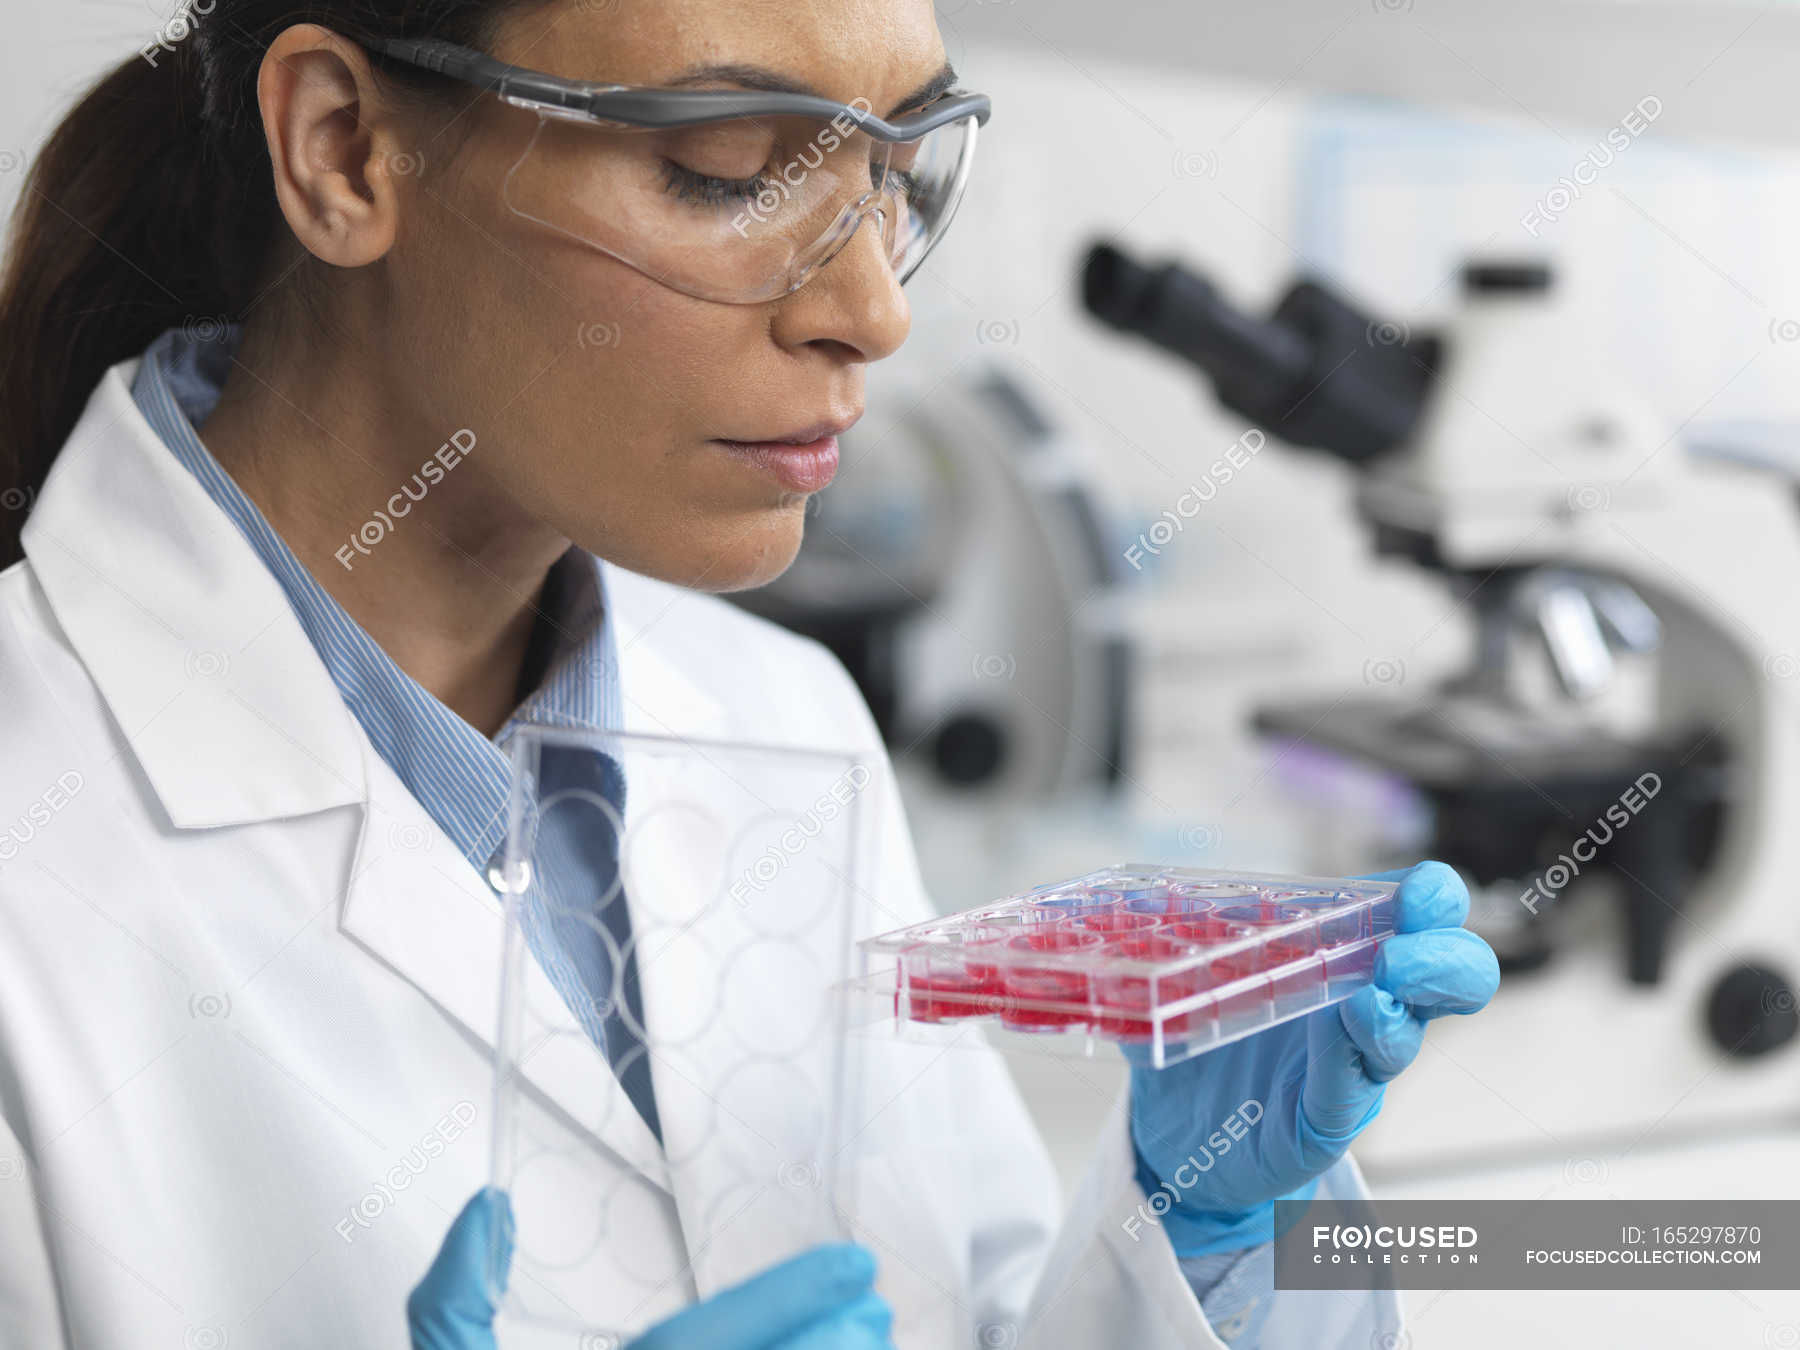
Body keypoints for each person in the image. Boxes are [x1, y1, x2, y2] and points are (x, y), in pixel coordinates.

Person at [0, 1, 1500, 1346]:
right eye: (731, 168)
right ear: (344, 151)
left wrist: (1191, 1244)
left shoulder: (780, 719)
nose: (873, 308)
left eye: (900, 169)